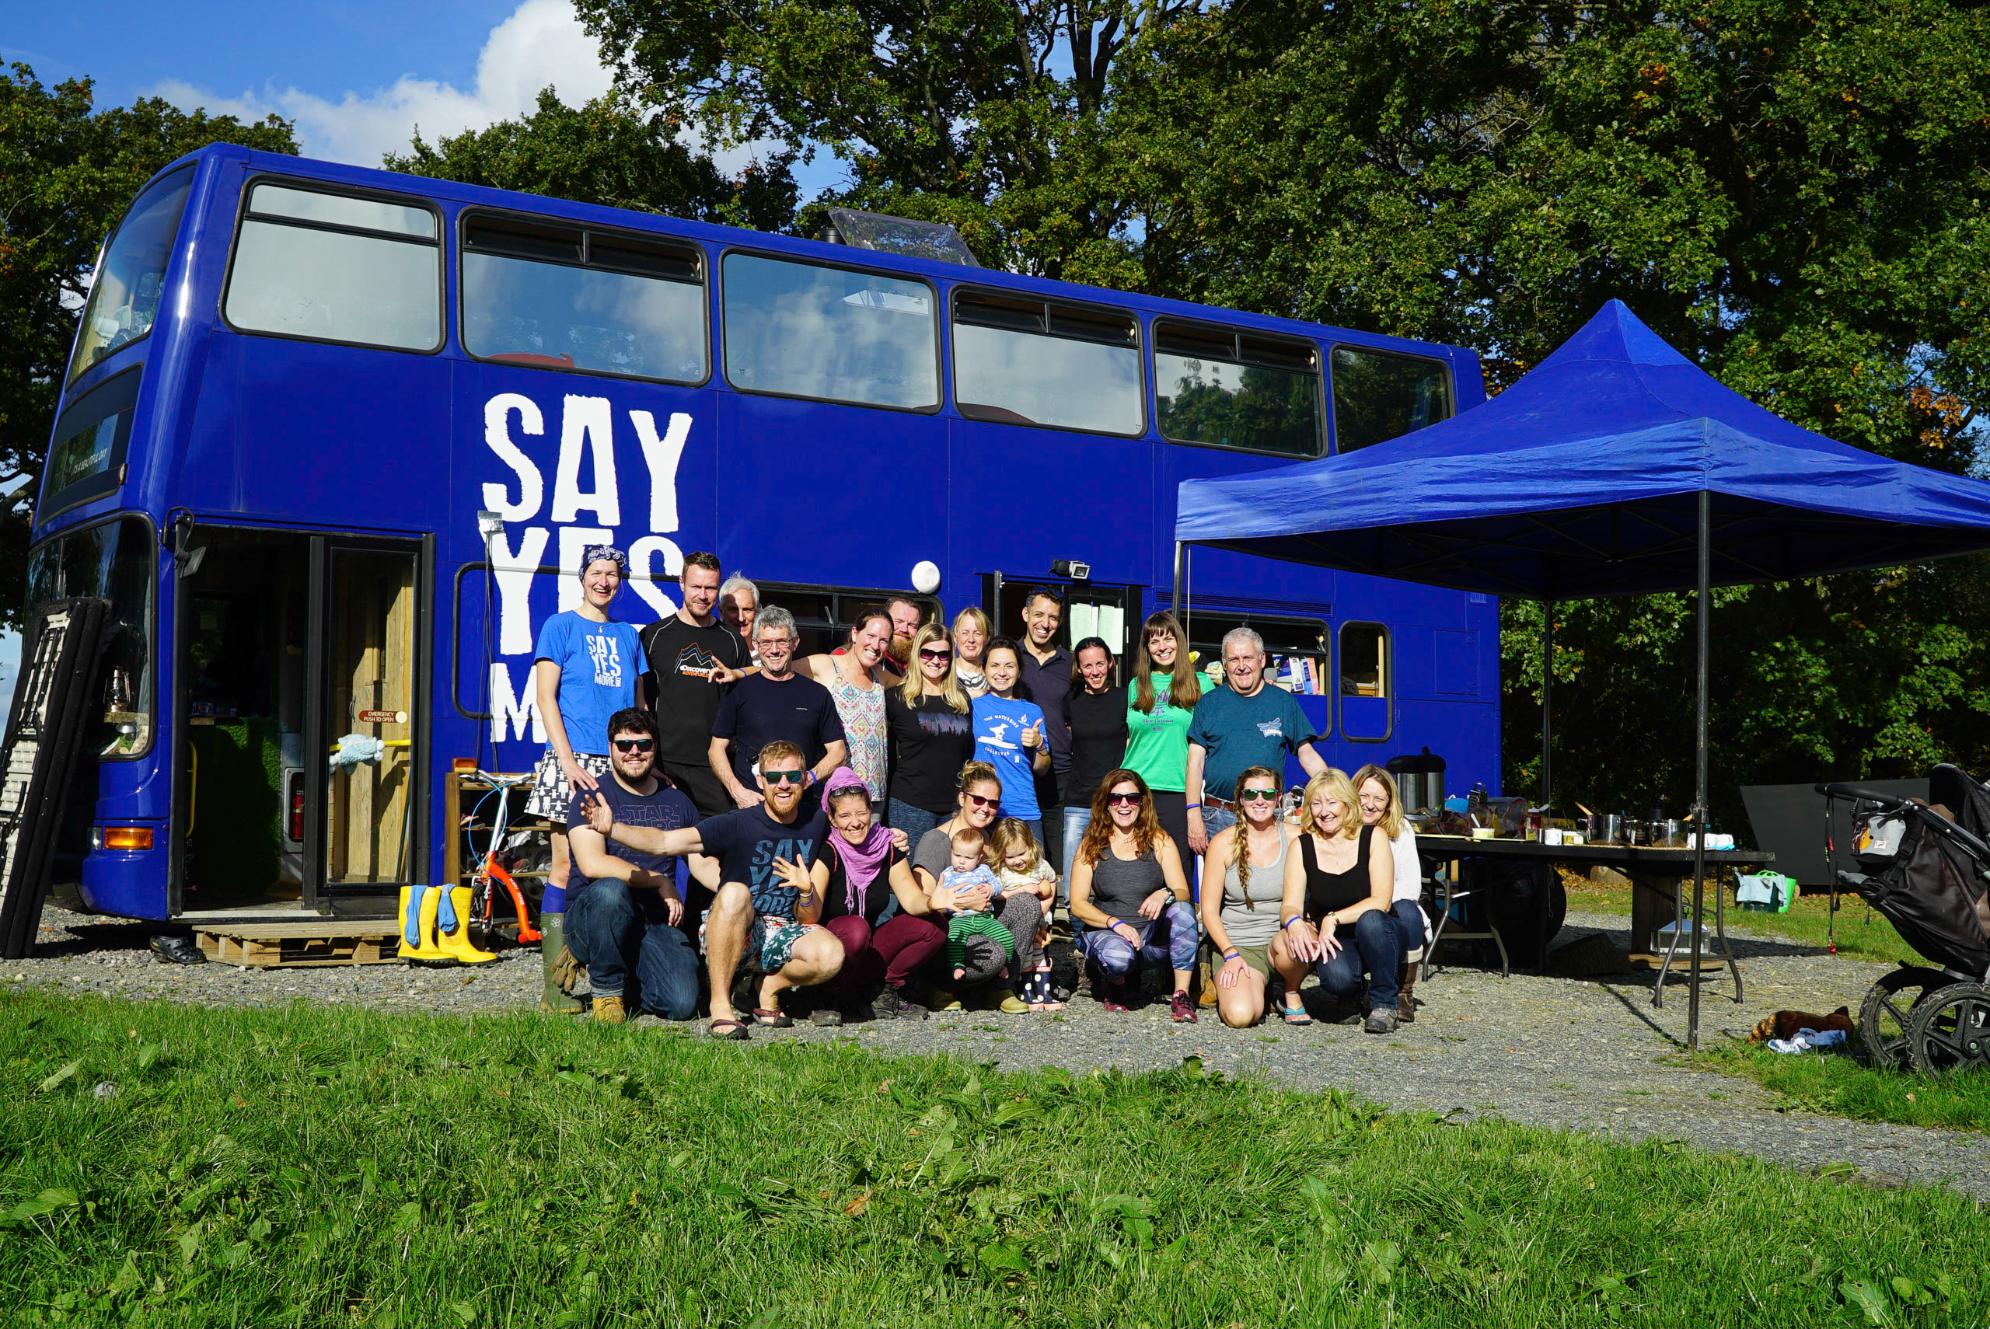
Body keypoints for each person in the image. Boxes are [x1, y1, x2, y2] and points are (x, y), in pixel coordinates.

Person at [583, 740, 844, 1039]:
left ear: (805, 779)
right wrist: (613, 827)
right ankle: (721, 1005)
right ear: (760, 781)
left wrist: (891, 841)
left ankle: (766, 988)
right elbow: (664, 843)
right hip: (735, 924)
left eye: (792, 776)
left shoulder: (816, 821)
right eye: (773, 777)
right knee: (735, 891)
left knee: (831, 954)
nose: (783, 785)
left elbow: (854, 834)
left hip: (782, 929)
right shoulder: (737, 823)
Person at [524, 543, 643, 1012]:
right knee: (566, 867)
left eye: (613, 574)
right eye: (597, 572)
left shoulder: (627, 635)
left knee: (616, 864)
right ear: (583, 576)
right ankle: (556, 985)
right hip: (572, 762)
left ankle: (610, 973)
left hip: (621, 761)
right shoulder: (559, 626)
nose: (604, 581)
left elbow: (638, 707)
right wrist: (568, 760)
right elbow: (546, 698)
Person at [556, 709, 707, 1024]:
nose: (634, 752)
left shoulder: (679, 802)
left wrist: (736, 887)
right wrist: (659, 881)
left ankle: (628, 979)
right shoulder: (591, 796)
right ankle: (606, 992)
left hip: (652, 921)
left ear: (655, 747)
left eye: (644, 744)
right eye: (624, 745)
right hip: (593, 916)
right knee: (611, 891)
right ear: (610, 747)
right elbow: (593, 865)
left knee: (681, 1003)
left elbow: (700, 860)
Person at [778, 768, 946, 1022]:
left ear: (871, 812)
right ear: (832, 820)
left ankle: (880, 992)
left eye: (861, 813)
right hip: (832, 950)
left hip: (867, 945)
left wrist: (935, 901)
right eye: (844, 815)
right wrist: (806, 891)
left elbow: (912, 901)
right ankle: (827, 995)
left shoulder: (887, 846)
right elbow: (809, 918)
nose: (855, 822)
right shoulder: (829, 851)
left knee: (935, 926)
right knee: (856, 929)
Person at [911, 762, 1045, 1013]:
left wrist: (1041, 908)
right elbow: (920, 904)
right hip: (952, 930)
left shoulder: (992, 838)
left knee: (1028, 904)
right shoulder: (936, 841)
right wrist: (963, 902)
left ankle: (1000, 988)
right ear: (962, 797)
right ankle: (940, 985)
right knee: (994, 954)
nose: (985, 808)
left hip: (985, 920)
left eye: (993, 803)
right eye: (979, 799)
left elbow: (1027, 873)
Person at [1069, 769, 1199, 1022]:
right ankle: (1116, 984)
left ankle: (1180, 995)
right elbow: (1077, 903)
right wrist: (1114, 923)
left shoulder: (1159, 840)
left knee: (1184, 911)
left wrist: (1165, 894)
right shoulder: (1091, 844)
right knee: (1118, 959)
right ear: (1105, 804)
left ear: (1143, 802)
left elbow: (1183, 892)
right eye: (1116, 798)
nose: (1124, 805)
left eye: (1132, 798)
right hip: (1109, 934)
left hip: (1150, 938)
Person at [1185, 626, 1328, 855]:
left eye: (1248, 658)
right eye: (1233, 659)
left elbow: (1306, 753)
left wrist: (1334, 789)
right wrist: (1193, 812)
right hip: (1218, 816)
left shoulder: (1283, 702)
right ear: (1224, 663)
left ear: (1262, 660)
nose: (1241, 666)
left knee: (1269, 888)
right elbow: (1195, 762)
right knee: (1218, 890)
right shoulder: (1208, 704)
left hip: (1268, 816)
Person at [1279, 769, 1402, 1034]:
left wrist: (1332, 919)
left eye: (1332, 802)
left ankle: (1384, 1003)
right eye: (1317, 803)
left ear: (1348, 804)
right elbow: (1290, 904)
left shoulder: (1373, 837)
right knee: (1336, 980)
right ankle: (1354, 992)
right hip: (1336, 939)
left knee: (1371, 920)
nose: (1325, 811)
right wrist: (1294, 922)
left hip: (1378, 931)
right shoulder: (1302, 846)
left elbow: (1381, 901)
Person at [640, 551, 748, 818]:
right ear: (681, 583)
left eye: (710, 588)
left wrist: (740, 673)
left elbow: (750, 693)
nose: (703, 595)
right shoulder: (653, 636)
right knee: (661, 850)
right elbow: (638, 703)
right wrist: (648, 759)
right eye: (696, 587)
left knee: (712, 852)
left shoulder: (732, 640)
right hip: (664, 764)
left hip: (714, 767)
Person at [710, 607, 848, 807]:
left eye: (782, 641)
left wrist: (808, 778)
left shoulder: (818, 694)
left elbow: (838, 751)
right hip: (752, 806)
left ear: (795, 643)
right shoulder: (738, 691)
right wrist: (737, 791)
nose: (774, 650)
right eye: (766, 642)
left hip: (801, 809)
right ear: (756, 644)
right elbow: (715, 750)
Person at [1199, 765, 1296, 1028]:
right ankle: (1249, 987)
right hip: (1240, 945)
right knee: (1241, 1016)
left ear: (1279, 798)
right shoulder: (1223, 843)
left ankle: (1290, 990)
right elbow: (1208, 910)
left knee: (1296, 940)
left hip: (1282, 944)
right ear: (1240, 799)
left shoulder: (1296, 837)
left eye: (1267, 793)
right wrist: (1230, 953)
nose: (1260, 800)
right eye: (1251, 794)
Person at [884, 622, 975, 843]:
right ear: (917, 654)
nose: (935, 660)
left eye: (943, 655)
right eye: (928, 653)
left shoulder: (961, 700)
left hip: (954, 806)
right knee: (913, 873)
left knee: (953, 874)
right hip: (911, 804)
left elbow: (966, 752)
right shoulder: (897, 698)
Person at [1122, 612, 1202, 860]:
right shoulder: (1136, 685)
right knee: (1138, 865)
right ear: (1147, 648)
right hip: (1137, 790)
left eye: (1168, 639)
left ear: (1179, 641)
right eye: (1154, 641)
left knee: (1178, 865)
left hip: (1178, 790)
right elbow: (1130, 739)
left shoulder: (1200, 683)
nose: (1162, 647)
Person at [1353, 763, 1429, 1024]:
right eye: (1364, 796)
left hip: (1391, 908)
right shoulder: (1341, 828)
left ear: (1388, 803)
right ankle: (1356, 989)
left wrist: (1378, 898)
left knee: (1409, 910)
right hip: (1353, 912)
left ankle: (1403, 993)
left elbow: (1410, 886)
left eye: (1379, 798)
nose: (1370, 804)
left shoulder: (1401, 829)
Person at [801, 609, 891, 812]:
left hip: (873, 797)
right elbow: (779, 669)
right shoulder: (827, 665)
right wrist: (738, 672)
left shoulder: (881, 678)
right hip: (834, 795)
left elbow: (918, 684)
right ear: (854, 634)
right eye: (870, 636)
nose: (875, 646)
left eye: (884, 640)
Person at [1015, 587, 1075, 879]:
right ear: (1025, 615)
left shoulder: (1070, 663)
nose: (1045, 623)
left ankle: (1058, 915)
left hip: (1060, 771)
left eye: (1053, 617)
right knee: (1022, 850)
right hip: (1016, 770)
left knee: (1060, 853)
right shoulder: (1010, 657)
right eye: (1038, 614)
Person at [1061, 636, 1128, 884]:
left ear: (1110, 663)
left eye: (1100, 664)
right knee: (1071, 879)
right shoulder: (1070, 701)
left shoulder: (1125, 699)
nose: (1094, 671)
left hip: (1117, 803)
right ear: (1079, 668)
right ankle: (1076, 924)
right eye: (1087, 666)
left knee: (1111, 879)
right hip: (1078, 800)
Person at [971, 637, 1050, 842]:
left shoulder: (1032, 711)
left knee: (1033, 873)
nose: (1002, 672)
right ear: (983, 669)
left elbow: (1042, 768)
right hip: (983, 810)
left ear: (1019, 671)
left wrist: (1039, 745)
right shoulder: (973, 707)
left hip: (1023, 810)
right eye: (995, 665)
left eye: (1009, 666)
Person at [991, 818, 1060, 1010]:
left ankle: (1044, 992)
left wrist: (1043, 909)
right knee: (1026, 955)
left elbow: (1052, 881)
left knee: (1041, 955)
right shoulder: (1002, 872)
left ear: (1031, 845)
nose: (1018, 860)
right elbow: (998, 896)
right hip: (1019, 924)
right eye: (1011, 857)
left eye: (1022, 853)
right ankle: (1025, 991)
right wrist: (1020, 892)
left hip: (1042, 920)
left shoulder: (1040, 865)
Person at [938, 826, 1013, 983]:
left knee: (1007, 937)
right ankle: (956, 965)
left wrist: (991, 888)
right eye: (957, 855)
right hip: (959, 919)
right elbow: (941, 898)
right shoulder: (947, 874)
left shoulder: (984, 870)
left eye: (968, 858)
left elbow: (998, 886)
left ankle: (1005, 964)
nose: (961, 861)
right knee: (954, 939)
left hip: (985, 918)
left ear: (979, 858)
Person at [952, 607, 992, 697]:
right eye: (965, 633)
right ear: (955, 636)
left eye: (977, 633)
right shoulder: (945, 673)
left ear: (987, 638)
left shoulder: (994, 676)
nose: (971, 639)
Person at [884, 595, 927, 677]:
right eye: (898, 621)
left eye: (912, 625)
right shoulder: (873, 662)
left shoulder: (922, 666)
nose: (904, 629)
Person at [718, 573, 759, 648]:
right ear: (721, 612)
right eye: (733, 610)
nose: (741, 618)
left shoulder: (766, 656)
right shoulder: (711, 650)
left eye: (747, 610)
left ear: (756, 612)